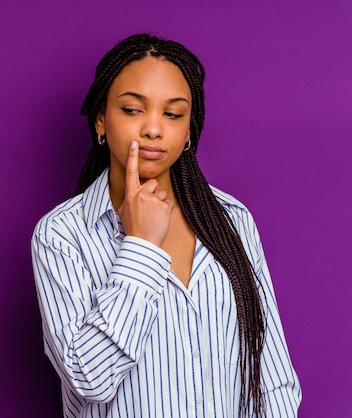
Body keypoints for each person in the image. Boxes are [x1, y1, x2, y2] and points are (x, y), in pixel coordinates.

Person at [31, 33, 301, 417]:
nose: (153, 129)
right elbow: (88, 377)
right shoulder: (61, 235)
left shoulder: (233, 220)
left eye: (173, 114)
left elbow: (269, 376)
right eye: (132, 110)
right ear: (101, 121)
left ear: (189, 130)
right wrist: (141, 246)